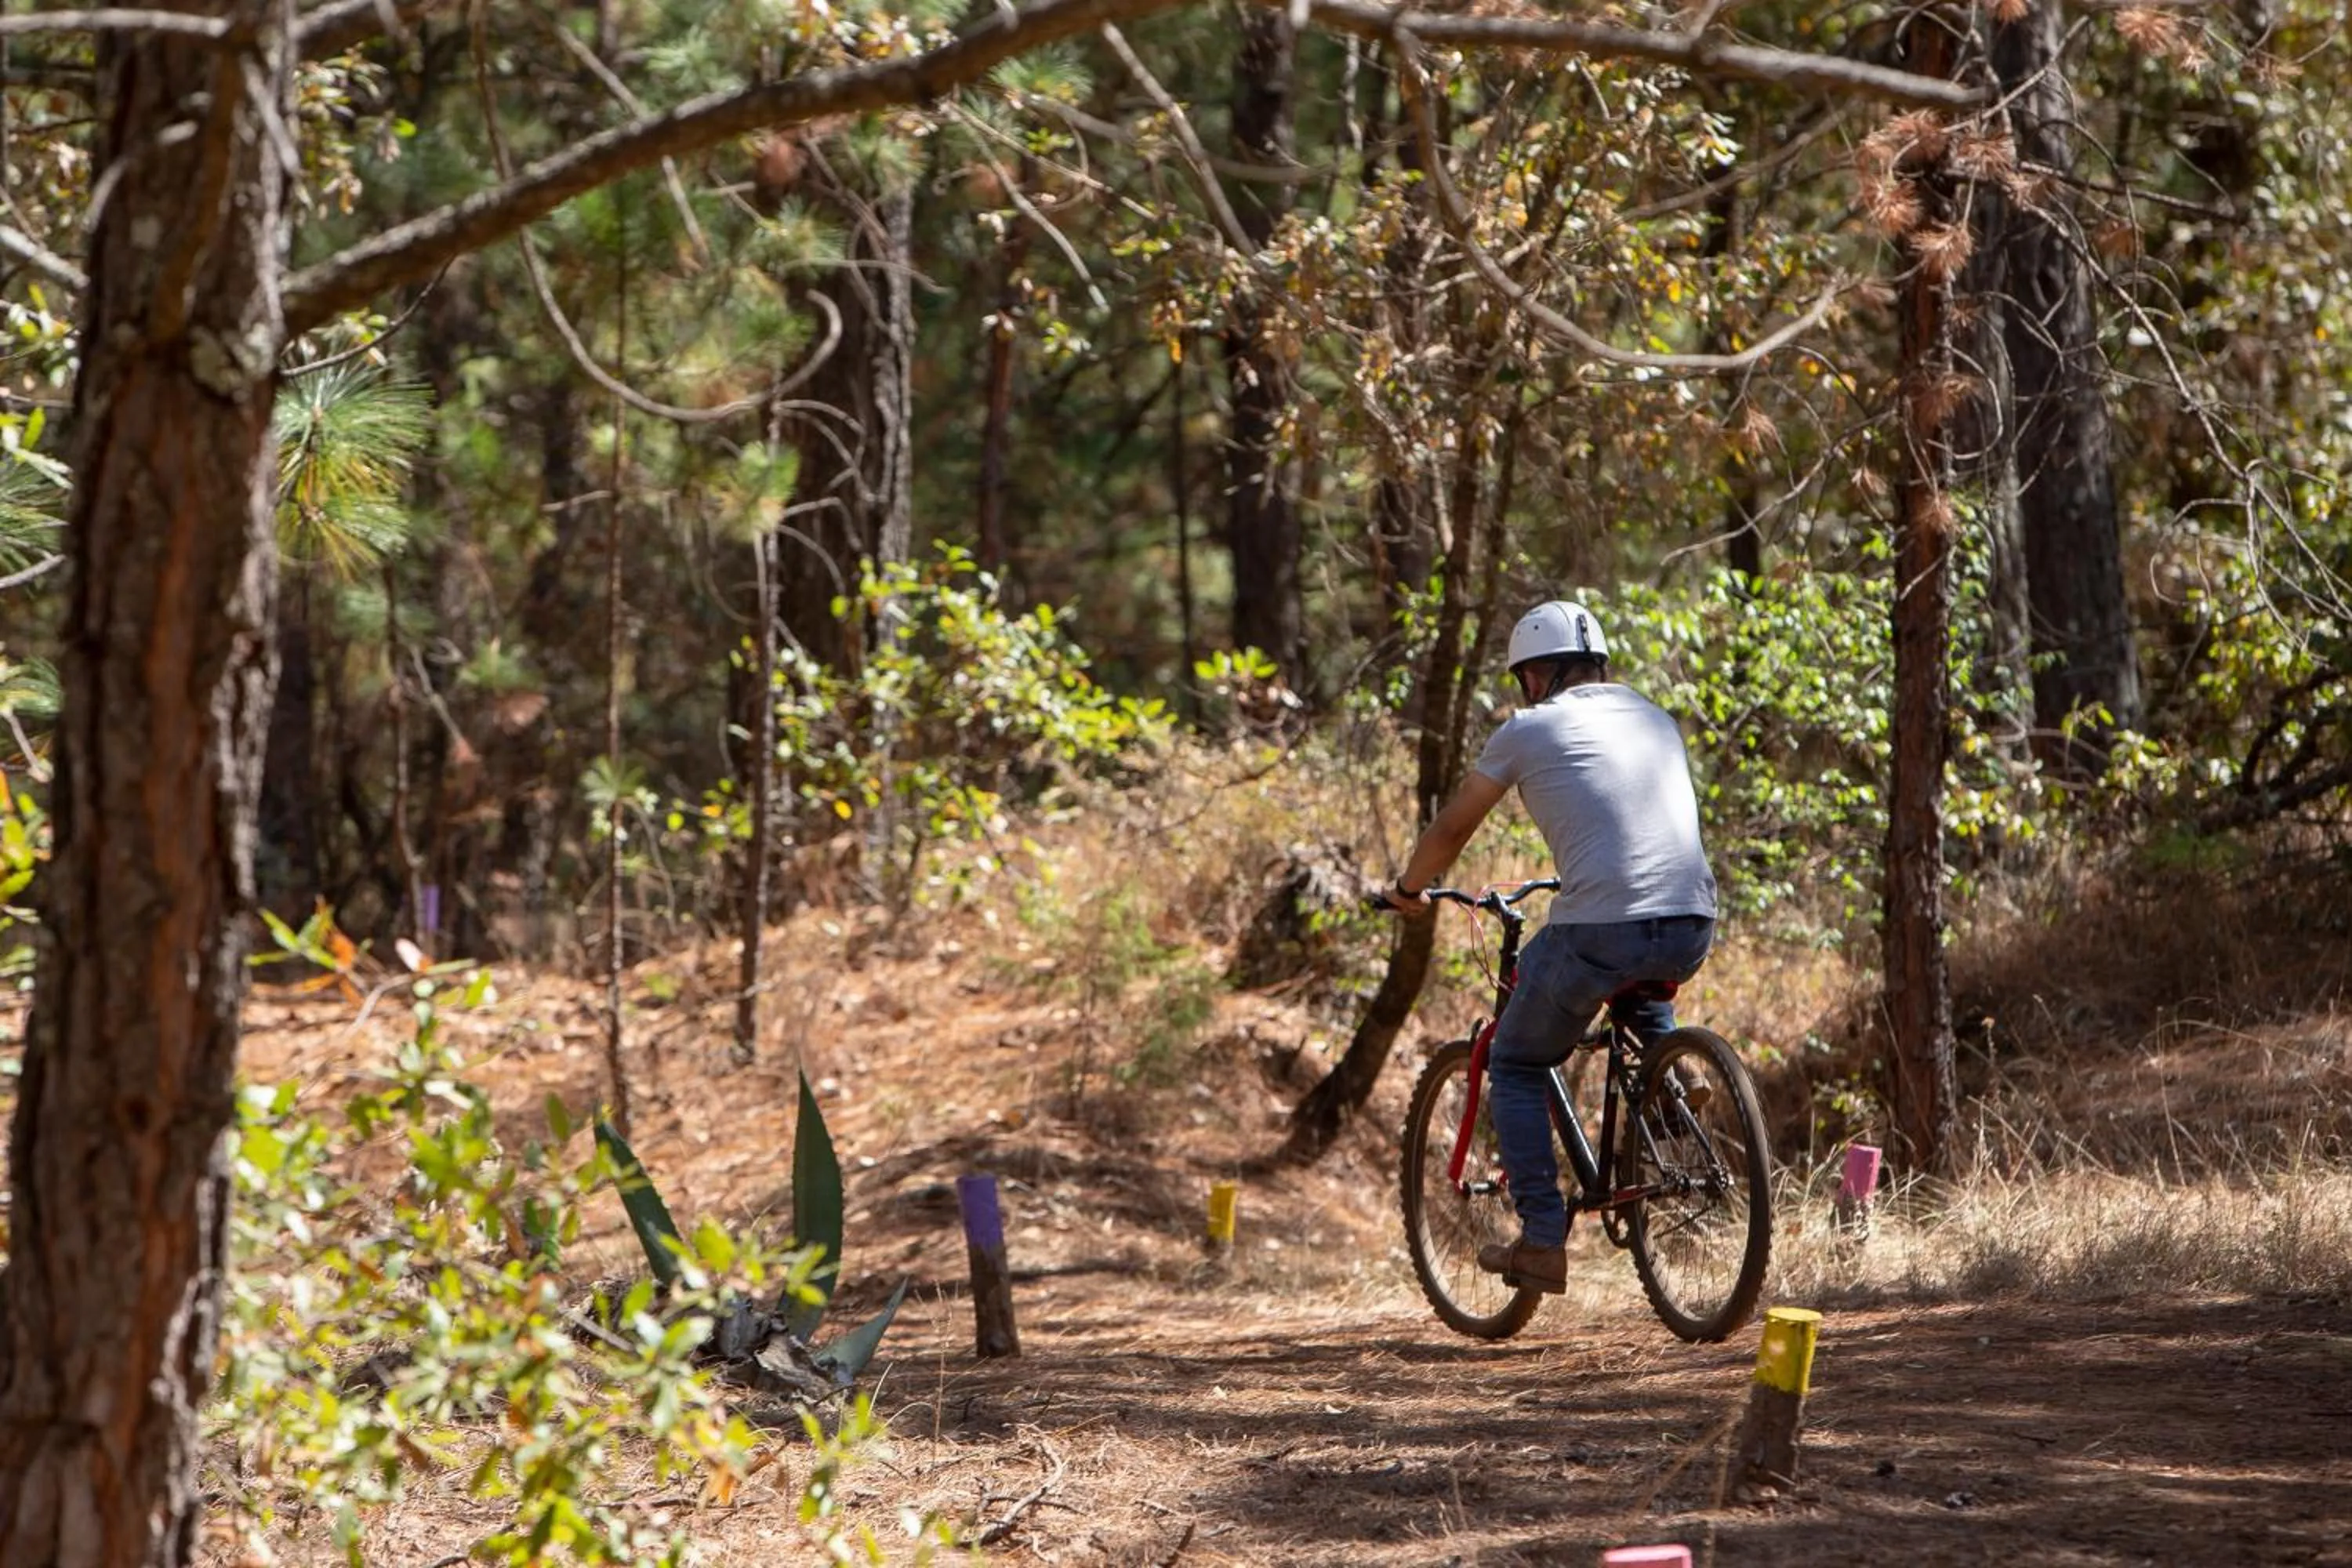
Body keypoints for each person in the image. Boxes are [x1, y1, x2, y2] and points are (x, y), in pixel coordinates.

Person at [1377, 599, 1719, 1293]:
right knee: (1637, 981)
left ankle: (1539, 1239)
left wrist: (1411, 887)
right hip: (1692, 918)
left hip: (1601, 926)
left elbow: (1451, 830)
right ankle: (1672, 1073)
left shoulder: (1529, 729)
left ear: (1535, 675)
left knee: (1517, 1060)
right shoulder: (1655, 717)